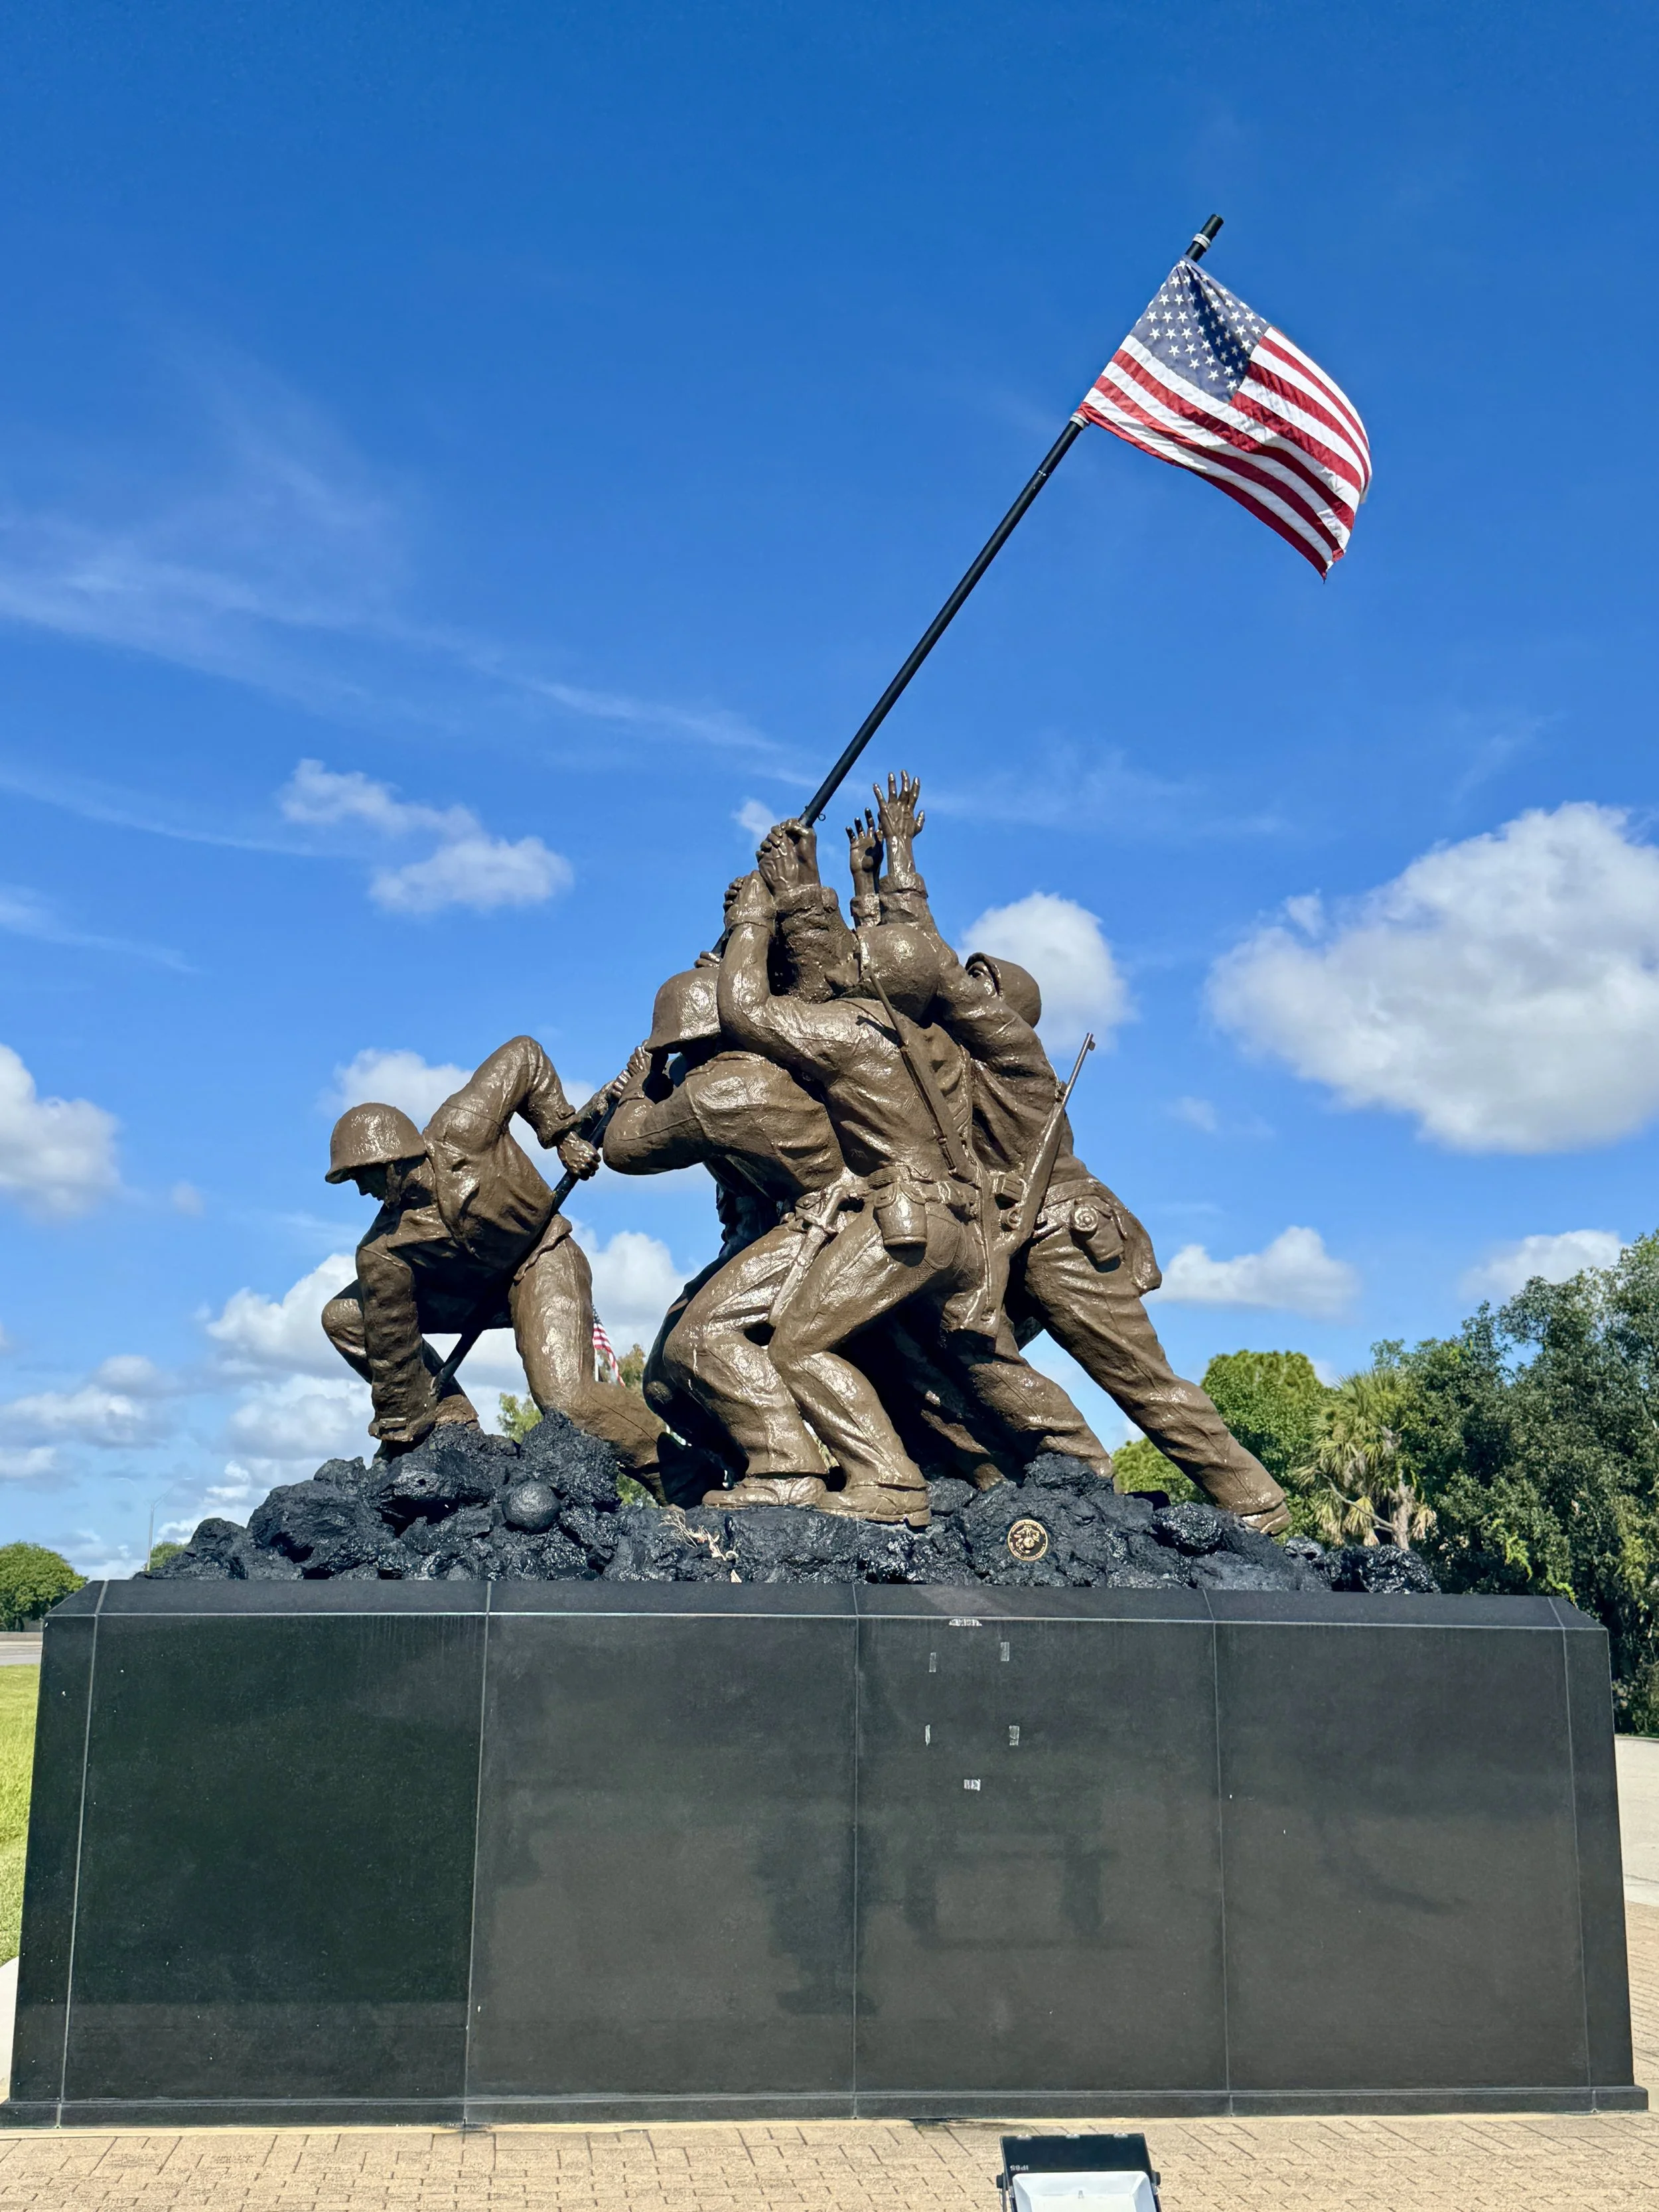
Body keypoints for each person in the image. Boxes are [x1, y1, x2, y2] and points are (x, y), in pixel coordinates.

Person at [851, 774, 1289, 1534]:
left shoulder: (1016, 1055)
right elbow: (898, 980)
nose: (965, 987)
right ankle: (1036, 1483)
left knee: (1136, 1378)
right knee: (959, 1357)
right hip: (1003, 1237)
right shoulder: (947, 1063)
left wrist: (899, 857)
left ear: (1001, 1007)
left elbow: (928, 964)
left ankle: (1254, 1504)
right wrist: (864, 890)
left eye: (981, 983)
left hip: (1060, 1230)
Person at [717, 822, 1110, 1524]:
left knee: (798, 1347)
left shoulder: (846, 1033)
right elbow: (890, 956)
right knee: (967, 1364)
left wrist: (752, 921)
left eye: (855, 954)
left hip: (905, 1223)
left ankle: (889, 1485)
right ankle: (1080, 1471)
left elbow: (747, 1012)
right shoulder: (931, 1043)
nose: (842, 958)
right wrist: (821, 887)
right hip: (960, 1227)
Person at [321, 1036, 664, 1481]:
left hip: (540, 1258)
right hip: (472, 1295)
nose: (361, 1191)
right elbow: (393, 1355)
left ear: (390, 1163)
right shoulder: (381, 1252)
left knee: (567, 1398)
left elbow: (524, 1054)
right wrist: (403, 1429)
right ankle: (448, 1422)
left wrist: (560, 1134)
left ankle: (679, 1476)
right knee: (344, 1315)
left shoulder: (462, 1125)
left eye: (361, 1177)